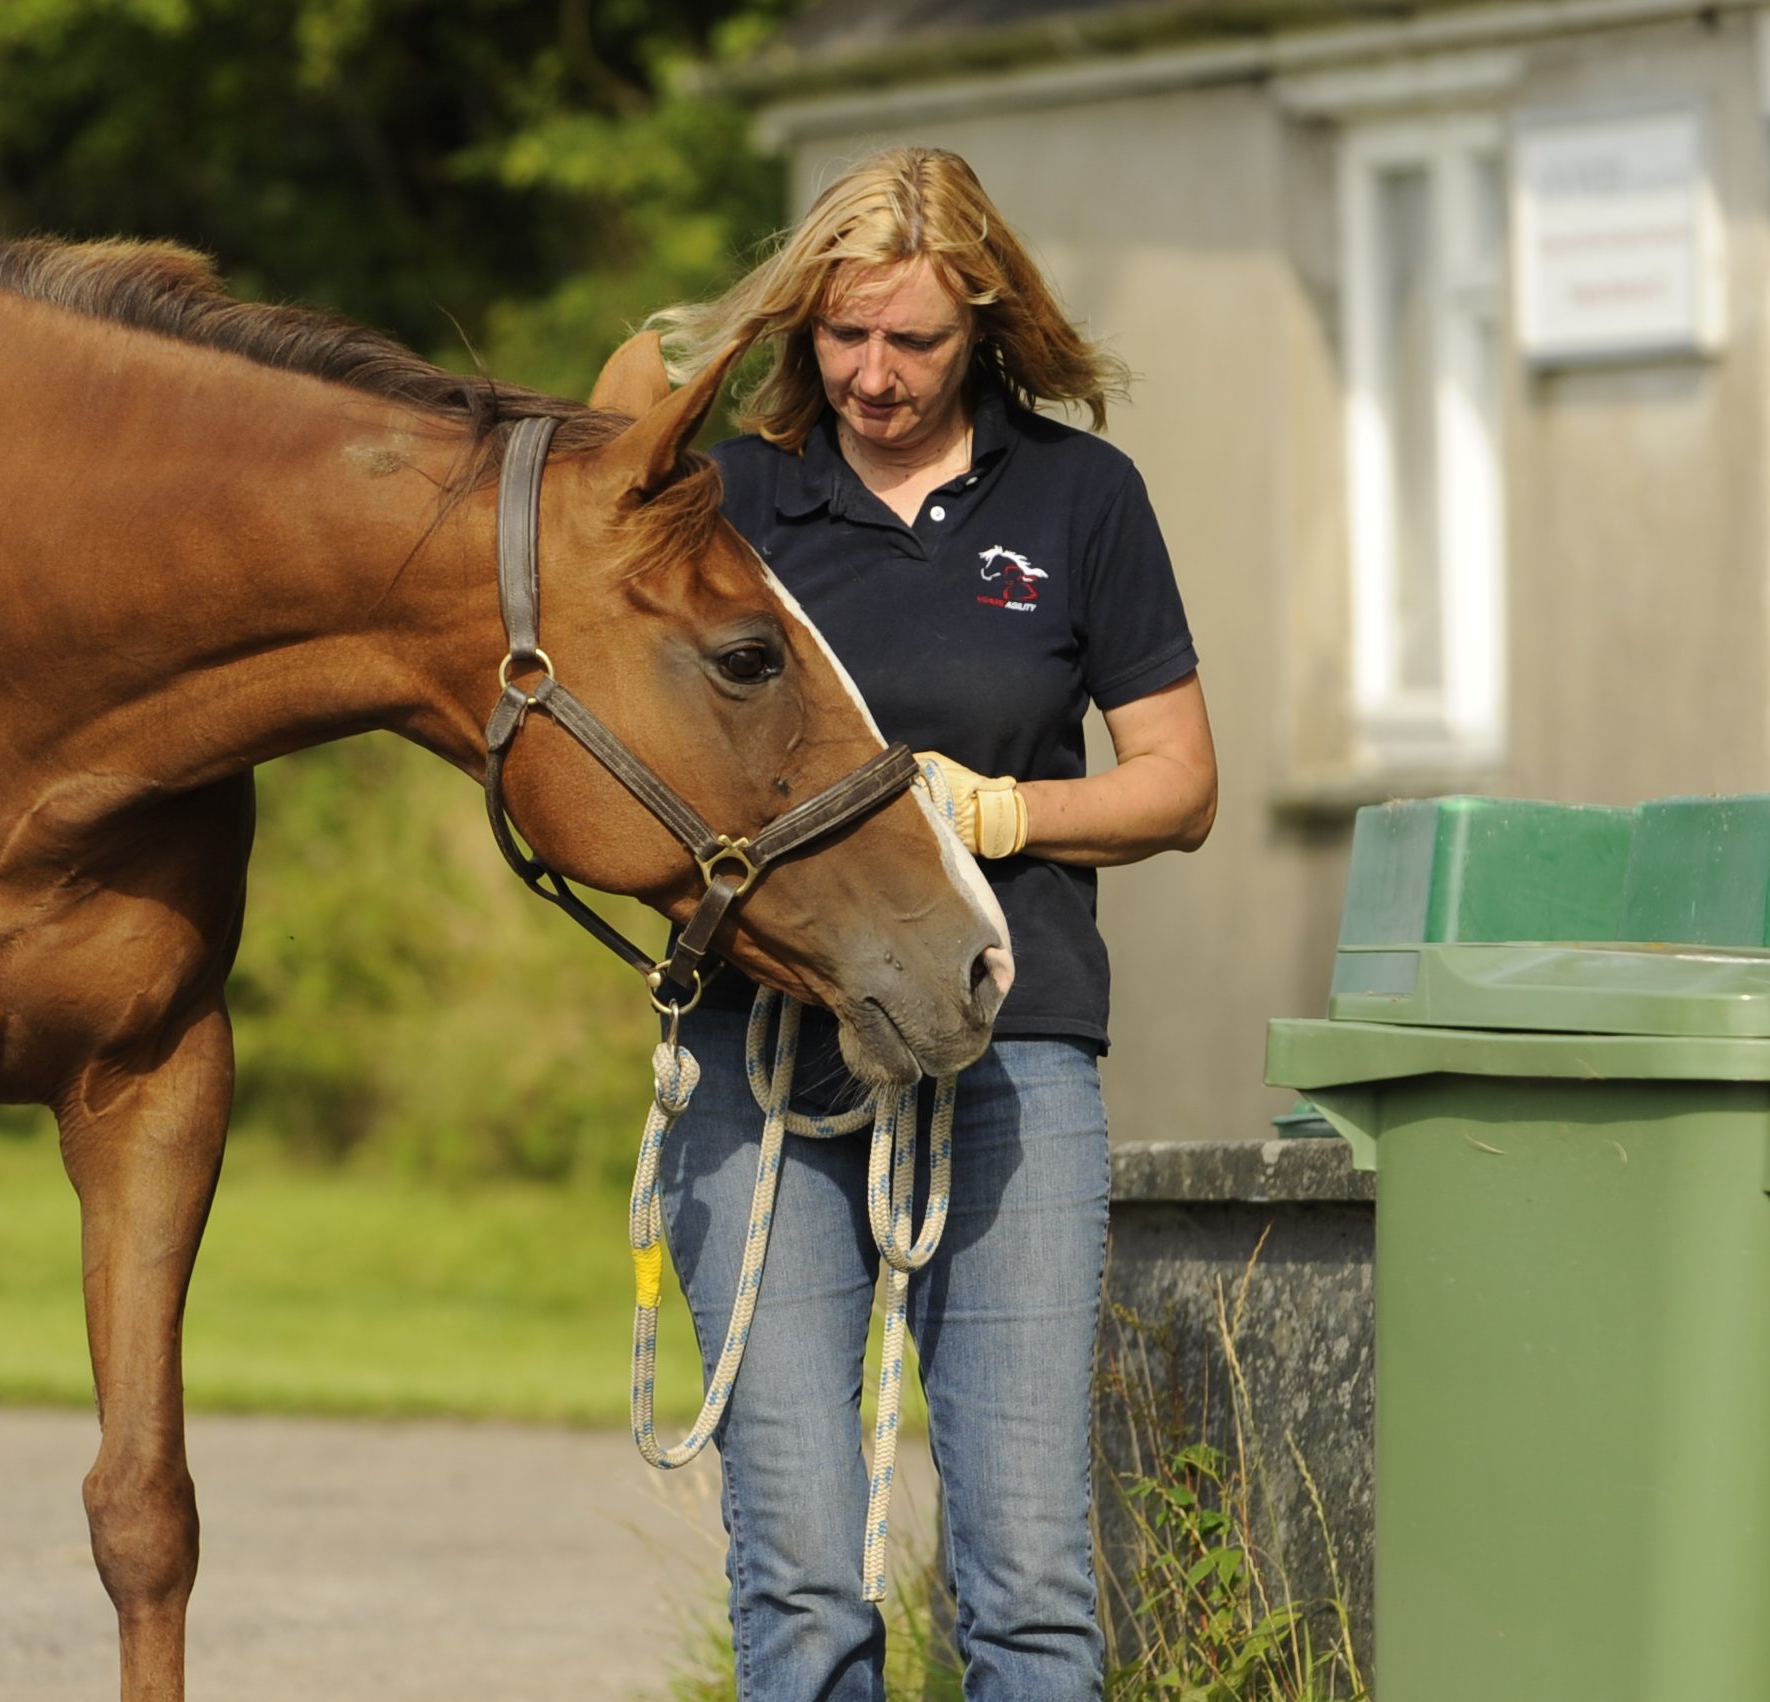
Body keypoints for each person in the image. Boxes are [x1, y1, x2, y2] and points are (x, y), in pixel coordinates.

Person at [641, 146, 1218, 1700]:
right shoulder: (735, 497)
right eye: (842, 338)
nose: (874, 377)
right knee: (803, 1577)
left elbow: (1179, 784)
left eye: (914, 341)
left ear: (988, 324)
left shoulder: (1081, 499)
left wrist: (1007, 812)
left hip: (1013, 1053)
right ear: (800, 328)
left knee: (1026, 1579)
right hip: (766, 1056)